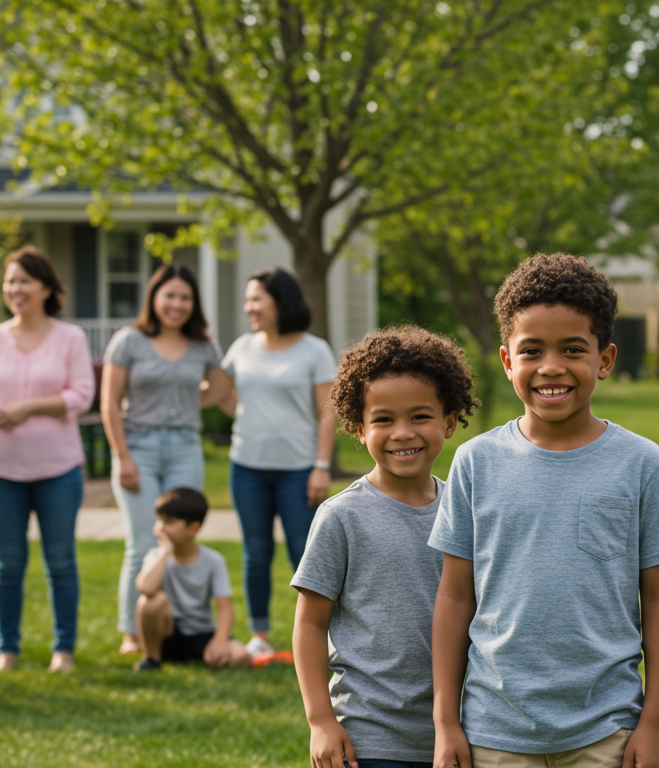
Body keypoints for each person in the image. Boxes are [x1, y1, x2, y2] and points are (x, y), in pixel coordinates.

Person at [430, 254, 659, 768]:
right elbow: (456, 596)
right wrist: (445, 723)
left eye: (573, 349)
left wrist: (653, 723)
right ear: (507, 361)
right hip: (493, 728)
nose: (551, 367)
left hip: (607, 727)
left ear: (605, 359)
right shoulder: (474, 462)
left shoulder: (641, 464)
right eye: (532, 351)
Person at [293, 326, 479, 768]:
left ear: (449, 422)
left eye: (419, 417)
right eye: (383, 420)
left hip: (458, 731)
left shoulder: (465, 508)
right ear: (359, 428)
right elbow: (309, 625)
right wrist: (321, 720)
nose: (402, 433)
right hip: (368, 736)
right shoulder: (342, 516)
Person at [0, 246, 96, 675]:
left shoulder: (70, 337)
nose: (14, 289)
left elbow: (82, 395)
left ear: (45, 287)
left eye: (23, 280)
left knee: (60, 560)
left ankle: (64, 651)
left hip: (58, 468)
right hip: (0, 468)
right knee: (7, 564)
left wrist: (29, 407)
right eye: (9, 281)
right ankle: (7, 651)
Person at [101, 264, 230, 656]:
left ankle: (176, 625)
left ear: (194, 304)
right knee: (143, 542)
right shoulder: (129, 341)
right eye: (170, 295)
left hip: (185, 448)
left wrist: (192, 403)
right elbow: (108, 402)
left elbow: (222, 385)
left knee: (179, 536)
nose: (177, 304)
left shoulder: (204, 346)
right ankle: (132, 631)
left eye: (185, 298)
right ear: (154, 298)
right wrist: (122, 456)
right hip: (137, 446)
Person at [219, 267, 337, 658]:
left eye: (256, 299)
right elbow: (218, 395)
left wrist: (321, 465)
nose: (248, 307)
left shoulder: (313, 349)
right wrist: (247, 415)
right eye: (248, 299)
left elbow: (327, 411)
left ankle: (327, 637)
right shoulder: (241, 347)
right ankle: (260, 636)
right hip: (247, 466)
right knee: (256, 552)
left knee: (306, 554)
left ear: (280, 302)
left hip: (299, 468)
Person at [133, 488, 260, 671]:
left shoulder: (213, 561)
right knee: (150, 602)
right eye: (159, 520)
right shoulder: (156, 556)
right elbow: (145, 588)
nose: (160, 528)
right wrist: (164, 552)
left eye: (168, 522)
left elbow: (224, 606)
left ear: (193, 528)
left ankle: (210, 656)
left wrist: (220, 640)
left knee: (241, 657)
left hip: (201, 634)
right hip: (167, 636)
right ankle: (153, 659)